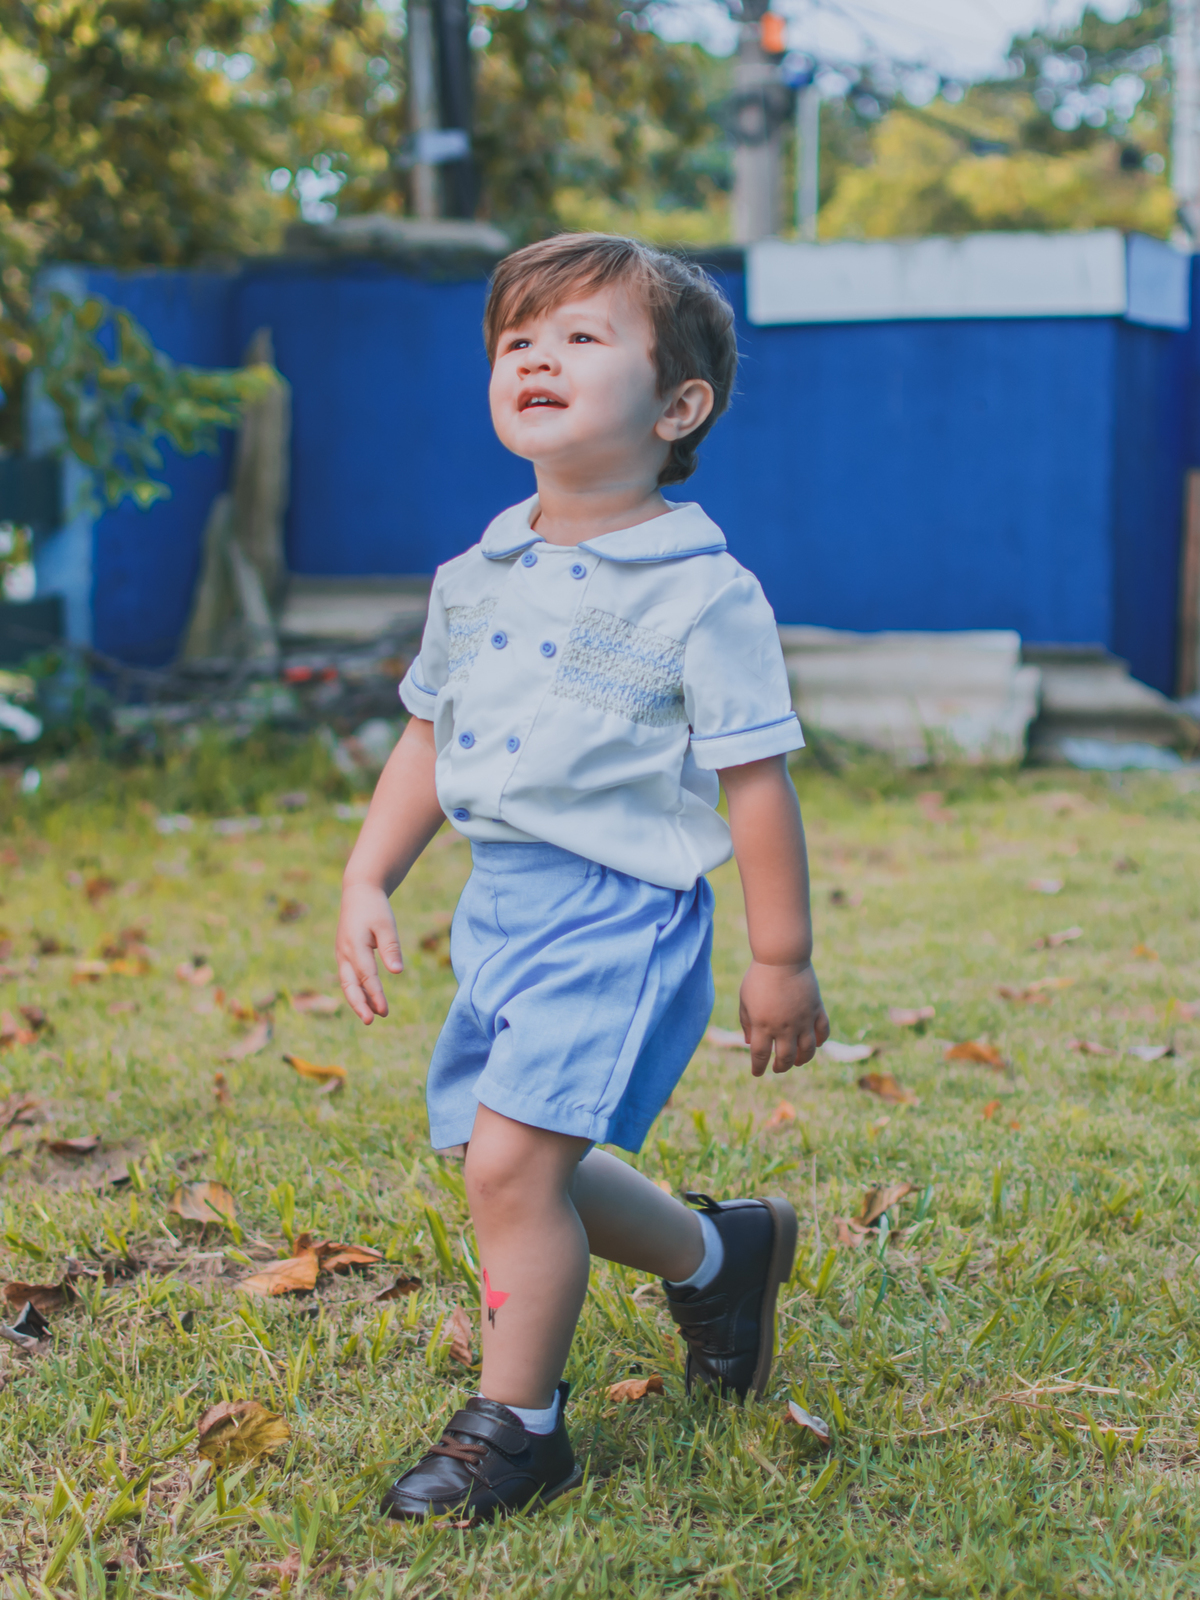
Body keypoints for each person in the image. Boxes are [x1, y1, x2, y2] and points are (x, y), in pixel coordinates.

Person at [336, 232, 830, 1524]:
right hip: (501, 905)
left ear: (678, 407)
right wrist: (369, 876)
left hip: (621, 914)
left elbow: (754, 780)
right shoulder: (477, 572)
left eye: (579, 337)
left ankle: (518, 1430)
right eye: (517, 341)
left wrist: (780, 960)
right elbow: (428, 732)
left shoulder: (702, 592)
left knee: (510, 1169)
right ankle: (721, 1258)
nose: (537, 358)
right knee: (500, 1153)